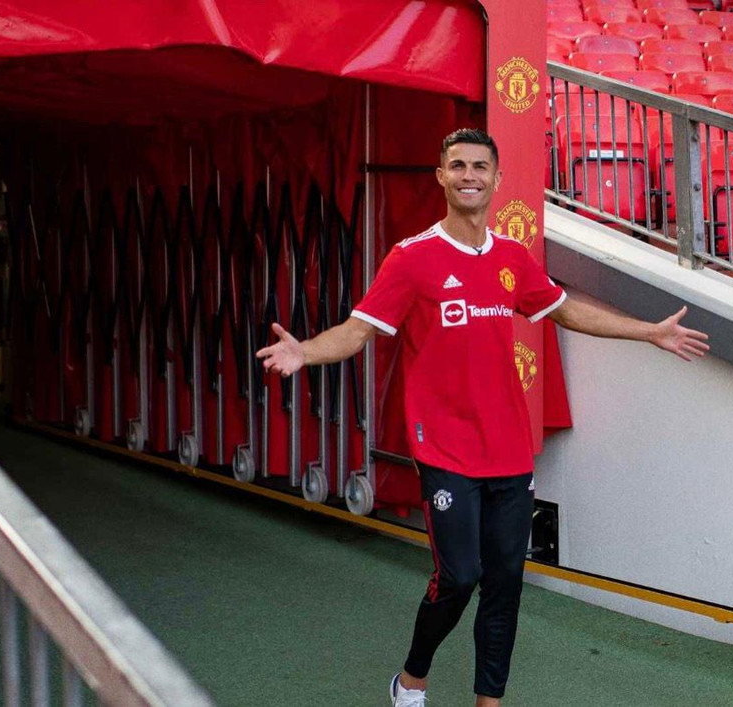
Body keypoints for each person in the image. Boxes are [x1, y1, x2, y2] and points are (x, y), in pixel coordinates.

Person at [256, 128, 709, 706]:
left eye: (479, 167)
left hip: (509, 449)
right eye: (458, 166)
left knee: (505, 583)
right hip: (444, 446)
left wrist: (648, 332)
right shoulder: (412, 258)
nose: (469, 175)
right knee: (459, 577)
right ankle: (411, 680)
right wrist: (306, 351)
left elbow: (566, 312)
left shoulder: (512, 258)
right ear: (440, 176)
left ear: (497, 179)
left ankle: (488, 703)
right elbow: (358, 330)